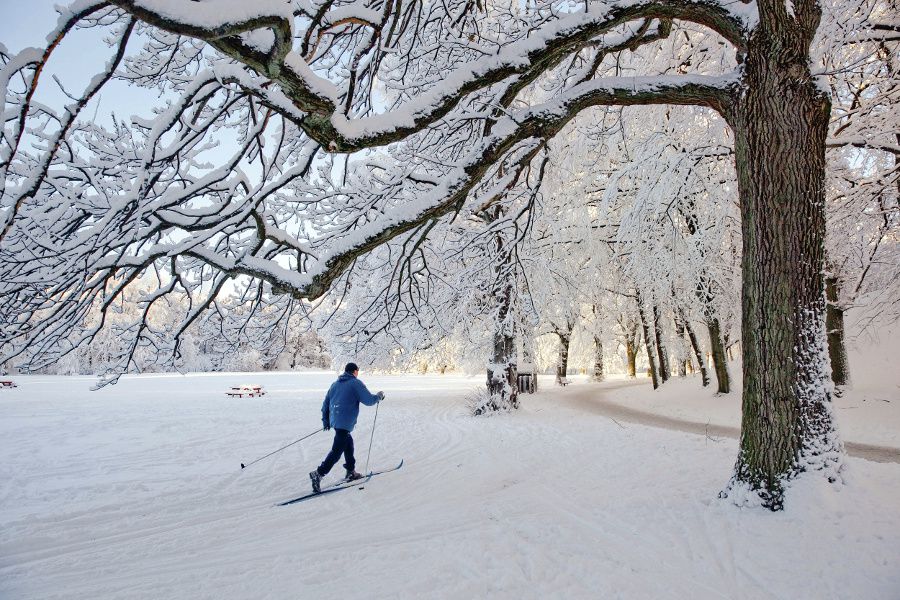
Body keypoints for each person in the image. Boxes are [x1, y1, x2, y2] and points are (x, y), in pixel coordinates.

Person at [309, 362, 384, 493]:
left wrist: (326, 421)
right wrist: (378, 396)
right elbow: (368, 400)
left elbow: (325, 404)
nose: (357, 374)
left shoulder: (335, 384)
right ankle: (318, 473)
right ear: (354, 371)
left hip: (337, 422)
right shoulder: (355, 383)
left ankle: (350, 471)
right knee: (337, 451)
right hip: (344, 423)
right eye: (357, 371)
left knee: (348, 443)